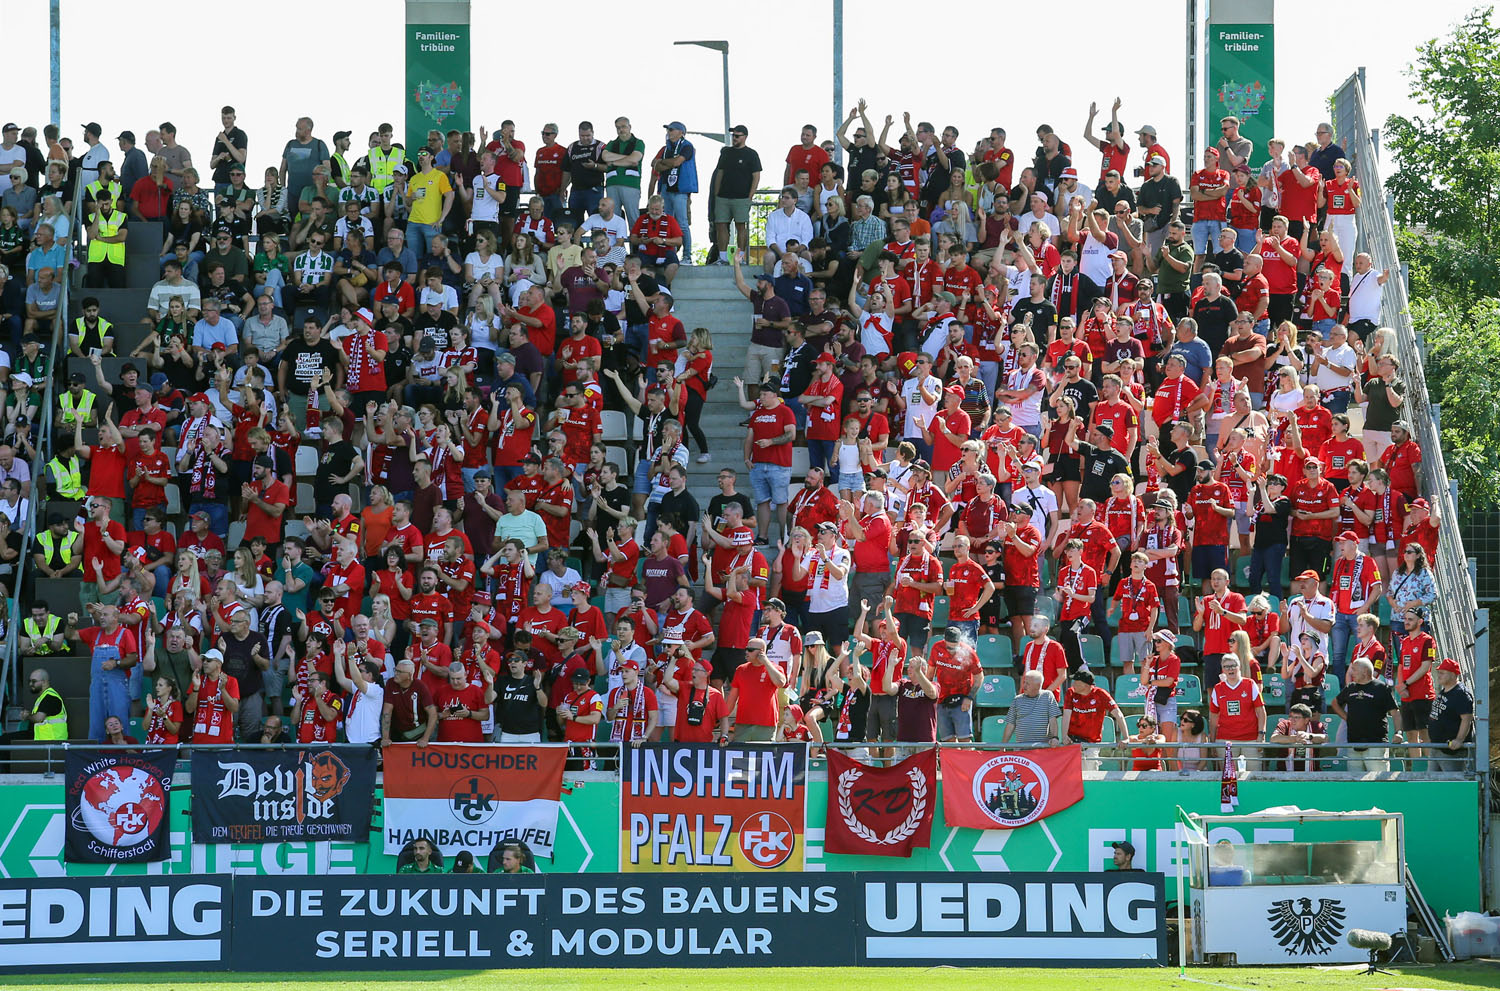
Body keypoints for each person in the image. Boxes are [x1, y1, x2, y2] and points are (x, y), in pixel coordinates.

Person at [1331, 657, 1403, 772]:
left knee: (1378, 780)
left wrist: (1398, 732)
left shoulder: (1381, 688)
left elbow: (1395, 713)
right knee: (1355, 781)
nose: (1351, 673)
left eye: (1354, 670)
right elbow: (1335, 703)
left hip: (1376, 745)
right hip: (1354, 744)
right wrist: (1347, 718)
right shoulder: (1350, 687)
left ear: (1365, 671)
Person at [1426, 657, 1473, 773]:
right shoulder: (1445, 691)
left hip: (1451, 751)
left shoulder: (1461, 694)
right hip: (1437, 747)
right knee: (1430, 780)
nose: (1439, 676)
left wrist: (1459, 739)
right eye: (1439, 673)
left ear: (1453, 675)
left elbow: (1467, 719)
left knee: (1452, 780)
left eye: (1442, 673)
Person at [1002, 670, 1060, 746]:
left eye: (1028, 684)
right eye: (1024, 682)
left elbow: (1053, 720)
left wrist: (1055, 737)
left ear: (1038, 686)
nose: (1024, 686)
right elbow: (1010, 725)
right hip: (1021, 749)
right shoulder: (1017, 700)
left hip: (1042, 748)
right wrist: (1003, 746)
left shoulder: (1047, 696)